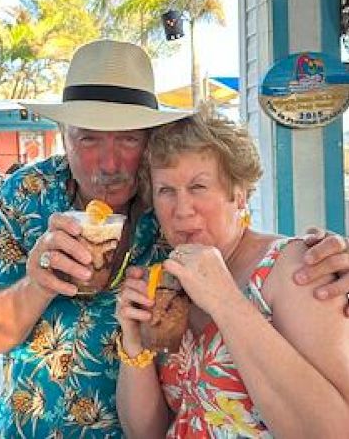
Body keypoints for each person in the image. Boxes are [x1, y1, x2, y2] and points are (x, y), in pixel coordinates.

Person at [0, 39, 349, 438]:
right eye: (89, 139)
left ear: (149, 141)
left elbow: (247, 250)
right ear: (64, 135)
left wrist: (329, 255)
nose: (109, 164)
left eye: (128, 139)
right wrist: (37, 285)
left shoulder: (168, 213)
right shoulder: (26, 193)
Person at [115, 112, 349, 438]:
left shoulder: (295, 267)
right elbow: (145, 432)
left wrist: (224, 300)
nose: (182, 210)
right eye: (166, 190)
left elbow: (334, 431)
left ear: (239, 194)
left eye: (198, 186)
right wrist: (133, 342)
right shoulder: (170, 281)